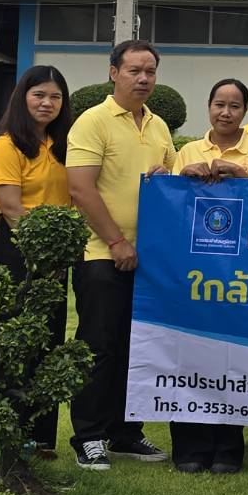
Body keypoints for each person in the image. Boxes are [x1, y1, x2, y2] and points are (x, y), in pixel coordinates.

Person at [65, 40, 176, 471]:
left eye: (150, 71)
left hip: (149, 259)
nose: (144, 78)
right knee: (99, 347)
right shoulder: (92, 122)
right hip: (102, 254)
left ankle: (126, 432)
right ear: (113, 72)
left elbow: (169, 182)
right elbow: (81, 188)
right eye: (134, 70)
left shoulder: (159, 126)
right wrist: (116, 242)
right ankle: (89, 436)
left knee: (139, 349)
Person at [167, 78, 248, 474]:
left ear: (246, 111)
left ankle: (228, 449)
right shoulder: (187, 151)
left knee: (230, 356)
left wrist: (242, 176)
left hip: (239, 270)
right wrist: (182, 179)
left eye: (235, 106)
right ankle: (189, 448)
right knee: (190, 353)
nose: (226, 112)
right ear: (209, 107)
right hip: (193, 269)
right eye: (219, 104)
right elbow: (170, 208)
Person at [0, 66, 73, 458]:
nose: (47, 103)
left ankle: (41, 439)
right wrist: (43, 255)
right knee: (17, 344)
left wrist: (57, 256)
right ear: (23, 97)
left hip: (57, 258)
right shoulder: (8, 144)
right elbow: (10, 208)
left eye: (55, 97)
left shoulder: (64, 144)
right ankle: (11, 433)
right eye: (39, 95)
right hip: (20, 254)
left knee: (49, 343)